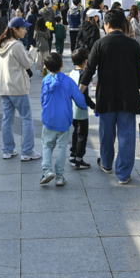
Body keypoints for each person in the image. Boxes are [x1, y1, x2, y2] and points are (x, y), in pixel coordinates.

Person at [79, 10, 140, 184]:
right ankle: (123, 173)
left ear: (107, 25)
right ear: (123, 25)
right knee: (126, 135)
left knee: (106, 132)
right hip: (129, 96)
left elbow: (89, 70)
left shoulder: (100, 44)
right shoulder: (133, 45)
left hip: (106, 96)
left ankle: (106, 163)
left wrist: (79, 90)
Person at [39, 52, 88, 186]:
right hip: (64, 120)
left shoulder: (45, 80)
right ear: (62, 65)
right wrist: (83, 107)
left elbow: (43, 99)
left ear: (46, 67)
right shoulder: (68, 81)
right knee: (61, 148)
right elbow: (78, 98)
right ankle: (59, 176)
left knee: (47, 145)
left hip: (49, 119)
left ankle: (47, 170)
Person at [0, 17, 41, 161]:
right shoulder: (16, 45)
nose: (25, 30)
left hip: (5, 87)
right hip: (18, 88)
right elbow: (27, 64)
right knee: (27, 119)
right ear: (14, 29)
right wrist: (33, 52)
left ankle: (8, 150)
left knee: (7, 119)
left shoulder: (2, 43)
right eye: (23, 28)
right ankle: (27, 152)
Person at [68, 47, 95, 169]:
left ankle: (73, 154)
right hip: (81, 109)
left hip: (72, 109)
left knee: (76, 131)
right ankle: (79, 159)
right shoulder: (83, 75)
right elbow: (83, 95)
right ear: (86, 61)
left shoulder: (71, 73)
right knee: (82, 134)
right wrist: (94, 106)